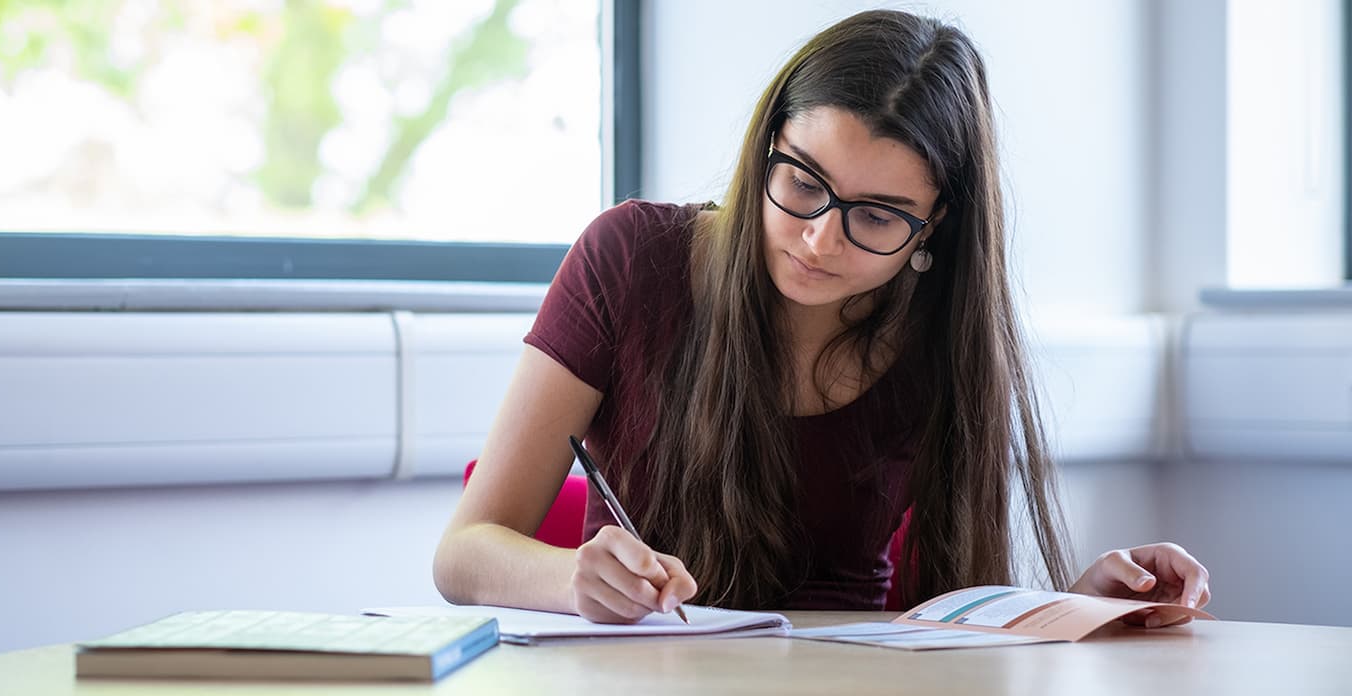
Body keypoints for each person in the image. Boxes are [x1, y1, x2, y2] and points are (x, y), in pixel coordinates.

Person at [432, 9, 1211, 626]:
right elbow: (463, 556)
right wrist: (574, 578)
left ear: (934, 225)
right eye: (803, 181)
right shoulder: (630, 258)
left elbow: (953, 612)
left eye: (876, 216)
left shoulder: (946, 337)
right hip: (643, 674)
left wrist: (1084, 603)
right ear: (767, 145)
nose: (819, 238)